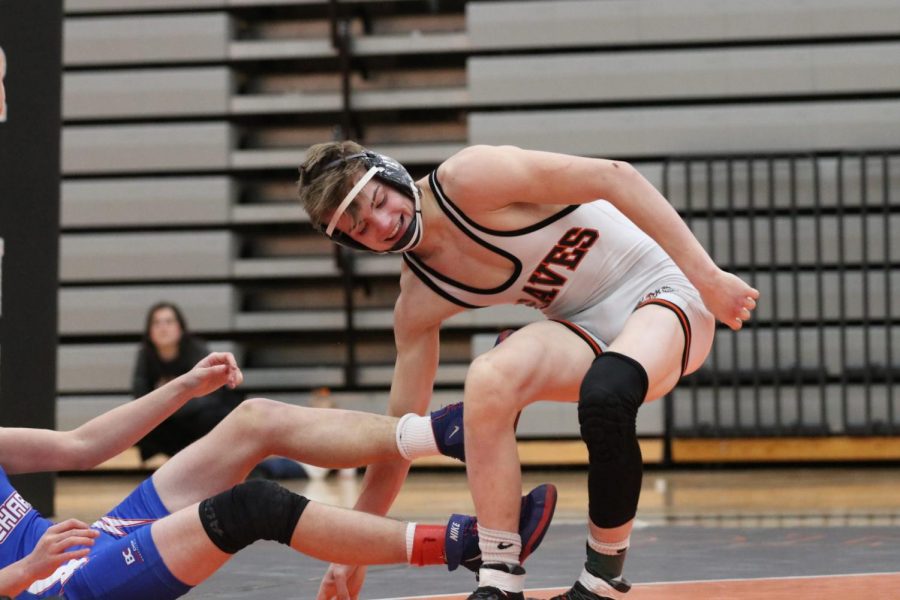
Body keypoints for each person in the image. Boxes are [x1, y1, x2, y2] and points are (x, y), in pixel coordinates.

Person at [297, 142, 760, 600]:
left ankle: (602, 582)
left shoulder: (469, 178)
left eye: (380, 201)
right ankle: (499, 576)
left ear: (393, 174)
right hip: (585, 328)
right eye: (361, 228)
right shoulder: (419, 296)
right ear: (351, 242)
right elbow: (395, 438)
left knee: (605, 395)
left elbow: (614, 176)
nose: (382, 223)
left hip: (666, 289)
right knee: (488, 380)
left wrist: (707, 277)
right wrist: (351, 548)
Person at [0, 352, 556, 599]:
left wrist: (184, 388)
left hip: (86, 545)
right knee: (250, 507)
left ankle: (445, 433)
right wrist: (25, 568)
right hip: (50, 588)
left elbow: (81, 446)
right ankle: (472, 545)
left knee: (254, 420)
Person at [131, 302, 239, 462]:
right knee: (137, 426)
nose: (163, 328)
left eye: (169, 322)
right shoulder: (145, 355)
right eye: (157, 323)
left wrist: (169, 398)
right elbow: (140, 396)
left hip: (200, 418)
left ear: (180, 328)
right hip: (171, 421)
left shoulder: (197, 350)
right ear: (150, 331)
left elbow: (211, 397)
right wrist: (178, 397)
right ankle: (182, 461)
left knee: (211, 417)